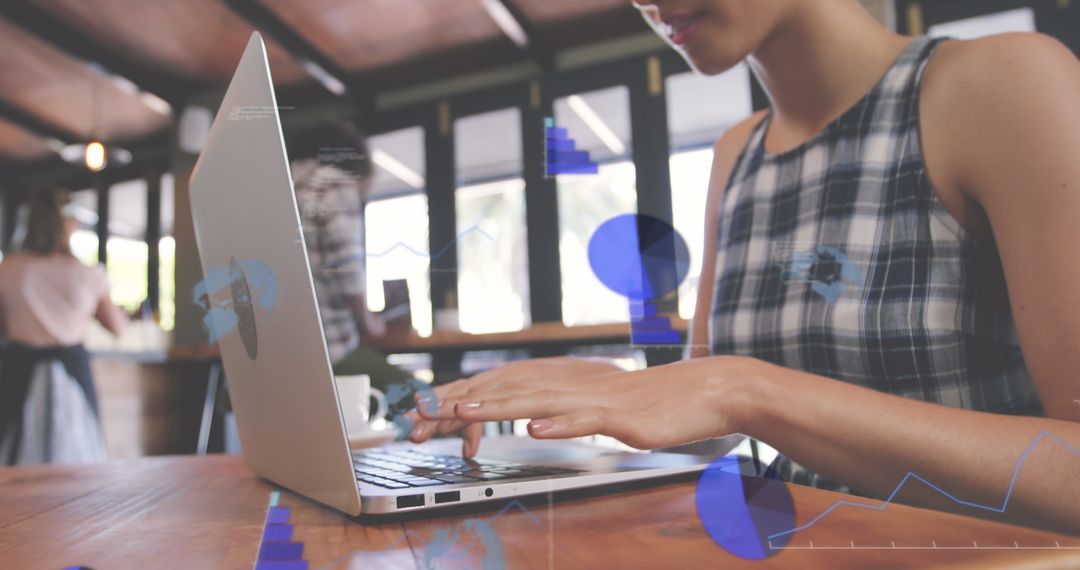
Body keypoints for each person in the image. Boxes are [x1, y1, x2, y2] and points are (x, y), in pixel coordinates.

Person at [408, 0, 1080, 535]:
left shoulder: (1003, 82)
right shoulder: (738, 151)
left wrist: (747, 390)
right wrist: (607, 387)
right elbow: (716, 409)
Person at [0, 188, 127, 465]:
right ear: (68, 224)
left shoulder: (8, 269)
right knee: (77, 461)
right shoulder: (87, 273)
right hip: (71, 376)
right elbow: (118, 327)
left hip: (17, 373)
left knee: (13, 460)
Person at [287, 121, 414, 392]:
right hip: (330, 353)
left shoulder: (281, 185)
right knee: (428, 402)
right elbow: (346, 273)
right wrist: (368, 323)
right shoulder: (333, 183)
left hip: (285, 355)